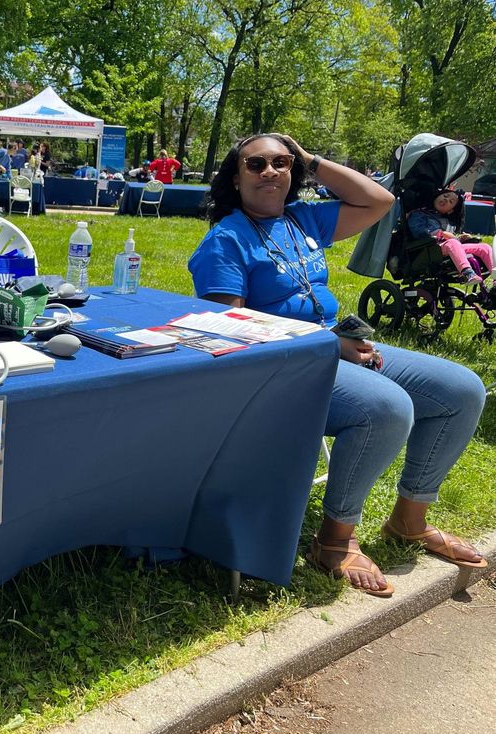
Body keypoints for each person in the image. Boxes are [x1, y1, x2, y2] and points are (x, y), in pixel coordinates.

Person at [188, 133, 487, 597]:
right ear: (235, 176)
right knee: (386, 407)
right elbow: (233, 332)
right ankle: (333, 539)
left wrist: (311, 159)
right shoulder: (226, 240)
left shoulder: (302, 218)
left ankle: (409, 521)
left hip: (337, 346)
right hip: (282, 369)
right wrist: (326, 344)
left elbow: (380, 200)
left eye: (281, 162)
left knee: (462, 390)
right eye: (256, 164)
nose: (270, 171)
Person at [408, 189, 492, 284]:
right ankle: (467, 273)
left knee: (484, 247)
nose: (446, 200)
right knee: (452, 243)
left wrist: (461, 238)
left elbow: (452, 238)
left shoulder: (448, 222)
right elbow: (417, 231)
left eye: (451, 202)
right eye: (445, 196)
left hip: (450, 248)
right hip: (430, 249)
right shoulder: (419, 214)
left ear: (450, 210)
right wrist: (440, 233)